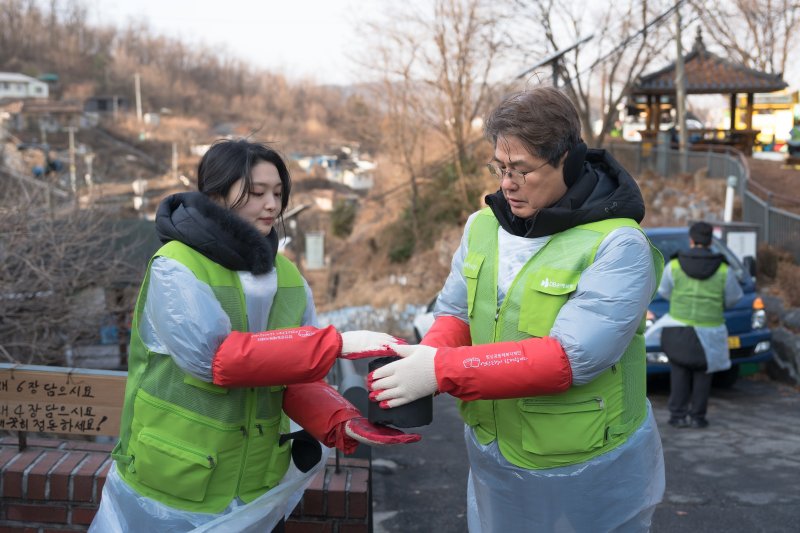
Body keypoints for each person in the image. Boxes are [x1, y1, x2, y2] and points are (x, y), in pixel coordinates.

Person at [367, 86, 666, 532]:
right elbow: (455, 312)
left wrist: (441, 370)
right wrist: (427, 356)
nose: (507, 183)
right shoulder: (483, 226)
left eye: (522, 170)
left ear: (567, 160)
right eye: (500, 167)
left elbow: (571, 358)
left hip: (586, 461)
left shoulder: (618, 244)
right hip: (495, 450)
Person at [90, 139, 418, 533]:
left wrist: (339, 421)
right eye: (257, 192)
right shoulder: (176, 266)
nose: (272, 206)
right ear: (216, 195)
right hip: (171, 484)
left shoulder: (287, 276)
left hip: (255, 483)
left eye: (278, 193)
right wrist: (338, 344)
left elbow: (295, 374)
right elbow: (214, 359)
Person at [648, 221, 743, 429]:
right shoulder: (724, 269)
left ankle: (677, 416)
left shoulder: (674, 266)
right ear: (710, 242)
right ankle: (698, 417)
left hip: (677, 329)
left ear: (691, 240)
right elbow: (734, 298)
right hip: (710, 332)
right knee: (703, 374)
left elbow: (664, 291)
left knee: (679, 371)